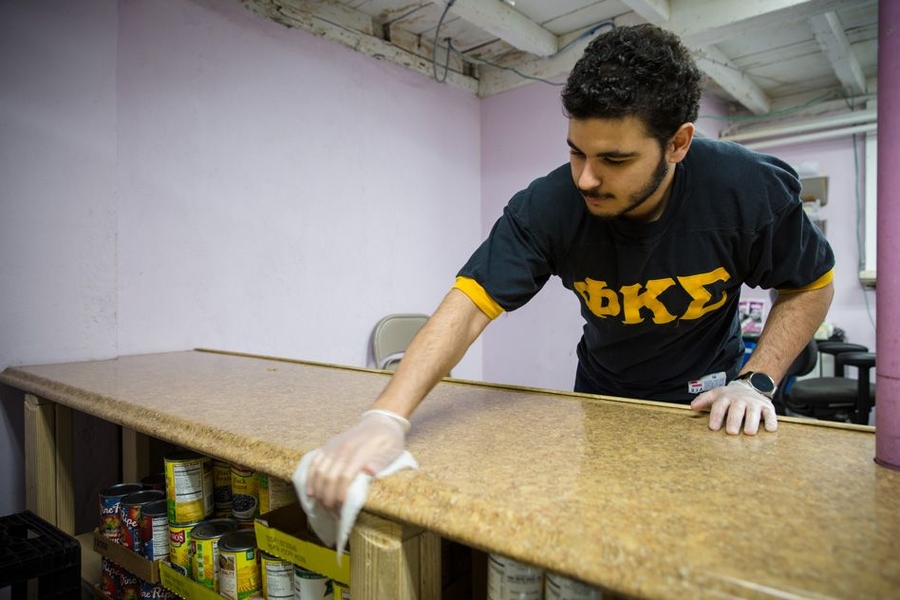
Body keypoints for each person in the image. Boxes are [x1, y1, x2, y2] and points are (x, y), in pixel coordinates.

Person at [305, 24, 834, 512]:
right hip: (602, 397)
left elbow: (810, 285)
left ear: (677, 144)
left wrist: (756, 380)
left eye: (615, 160)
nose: (585, 178)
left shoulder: (746, 189)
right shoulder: (548, 206)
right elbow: (467, 307)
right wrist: (386, 416)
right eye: (576, 153)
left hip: (709, 401)